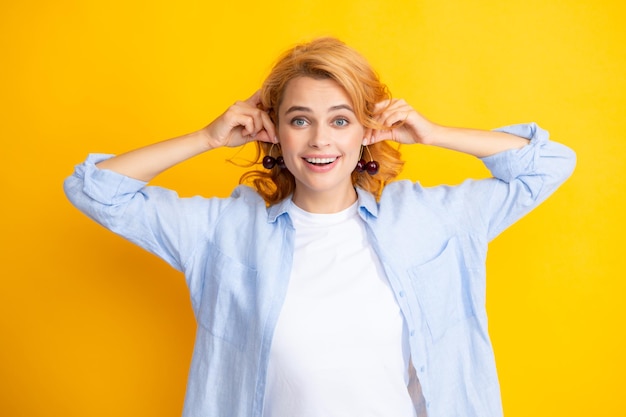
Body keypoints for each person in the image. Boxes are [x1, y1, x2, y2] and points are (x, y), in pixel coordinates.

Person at [64, 37, 576, 417]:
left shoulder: (430, 220)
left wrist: (435, 133)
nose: (319, 142)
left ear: (366, 130)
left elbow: (549, 162)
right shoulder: (223, 232)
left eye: (339, 119)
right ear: (274, 131)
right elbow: (93, 188)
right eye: (300, 119)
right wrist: (207, 137)